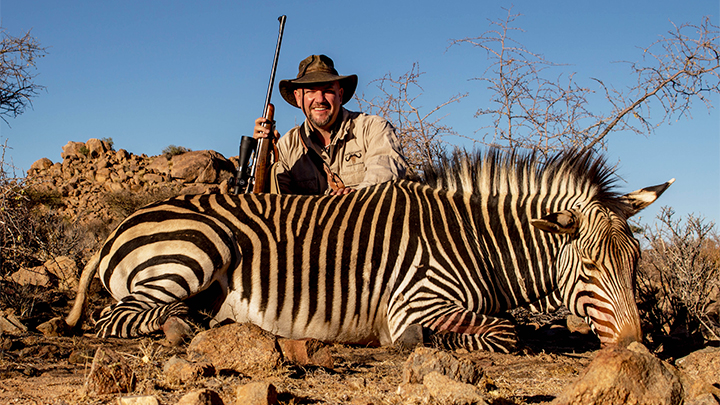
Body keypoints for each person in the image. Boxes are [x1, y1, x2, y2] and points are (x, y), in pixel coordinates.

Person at [253, 54, 407, 195]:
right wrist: (264, 157)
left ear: (340, 95)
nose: (320, 99)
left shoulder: (374, 129)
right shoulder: (286, 147)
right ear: (298, 98)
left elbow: (385, 180)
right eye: (311, 91)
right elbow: (276, 201)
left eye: (327, 90)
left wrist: (351, 198)